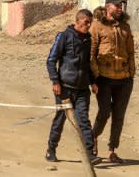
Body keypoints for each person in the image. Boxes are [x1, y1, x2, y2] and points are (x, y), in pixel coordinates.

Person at [45, 9, 103, 165]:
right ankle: (51, 149)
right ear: (77, 21)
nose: (88, 25)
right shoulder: (63, 36)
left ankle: (89, 154)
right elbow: (51, 60)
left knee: (83, 120)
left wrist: (92, 81)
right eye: (86, 22)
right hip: (64, 87)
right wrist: (55, 81)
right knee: (60, 119)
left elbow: (87, 64)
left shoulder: (88, 39)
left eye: (90, 23)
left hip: (82, 89)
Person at [90, 0, 135, 164]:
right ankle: (92, 138)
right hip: (104, 78)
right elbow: (92, 52)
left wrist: (131, 72)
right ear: (108, 7)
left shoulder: (125, 27)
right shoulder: (97, 26)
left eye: (120, 6)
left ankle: (112, 150)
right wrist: (94, 76)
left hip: (124, 79)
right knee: (104, 112)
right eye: (116, 5)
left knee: (119, 115)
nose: (119, 8)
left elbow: (131, 52)